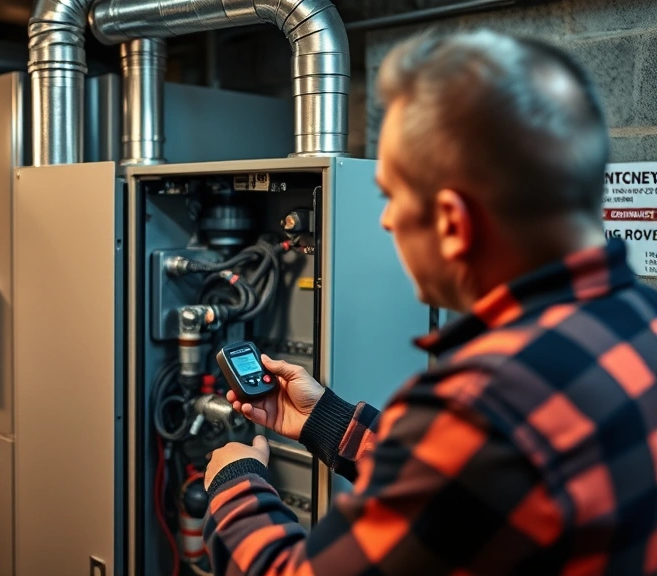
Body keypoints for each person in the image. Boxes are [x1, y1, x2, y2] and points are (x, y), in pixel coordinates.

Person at [202, 28, 657, 575]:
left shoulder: (481, 402)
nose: (387, 220)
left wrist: (235, 483)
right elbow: (469, 489)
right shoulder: (639, 320)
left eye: (392, 196)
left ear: (452, 223)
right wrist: (326, 421)